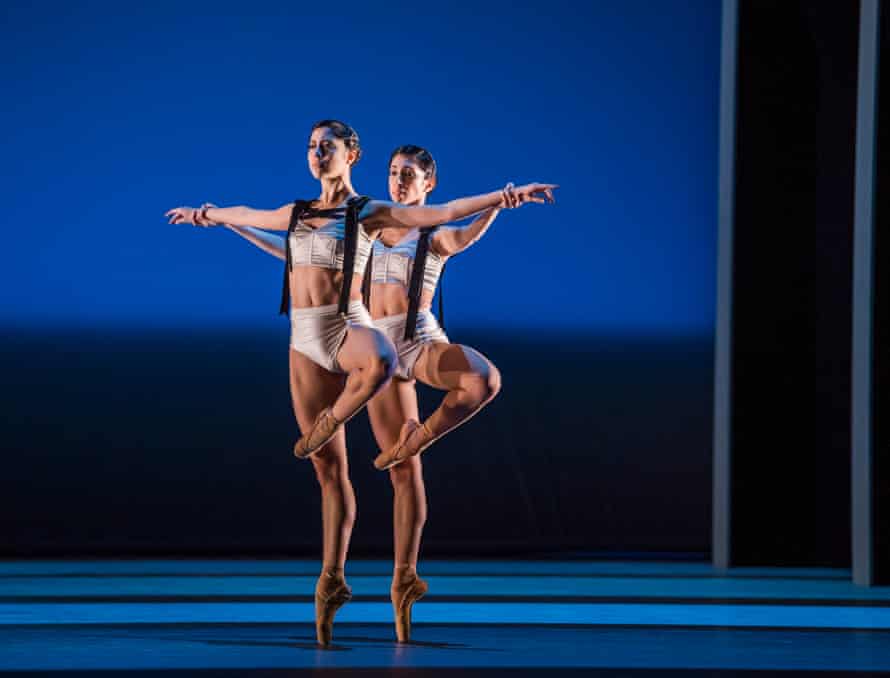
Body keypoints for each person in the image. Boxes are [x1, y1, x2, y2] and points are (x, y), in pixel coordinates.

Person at [165, 120, 556, 645]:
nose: (397, 181)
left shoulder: (405, 229)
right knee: (340, 468)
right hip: (341, 342)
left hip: (400, 345)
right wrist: (216, 219)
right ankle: (333, 580)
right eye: (393, 172)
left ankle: (403, 574)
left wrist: (503, 199)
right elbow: (288, 248)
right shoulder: (335, 224)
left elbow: (451, 219)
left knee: (405, 461)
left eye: (408, 174)